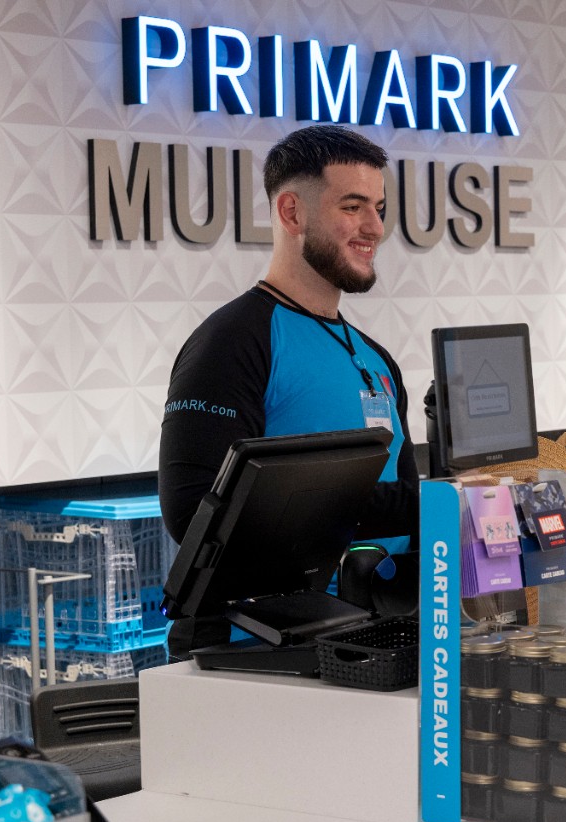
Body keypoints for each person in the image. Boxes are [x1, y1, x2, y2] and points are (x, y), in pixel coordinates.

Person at [158, 125, 418, 658]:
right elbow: (192, 514)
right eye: (353, 206)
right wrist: (433, 503)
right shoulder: (230, 344)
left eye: (379, 207)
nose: (374, 227)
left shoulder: (375, 358)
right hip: (255, 652)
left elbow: (403, 502)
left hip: (372, 635)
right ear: (292, 213)